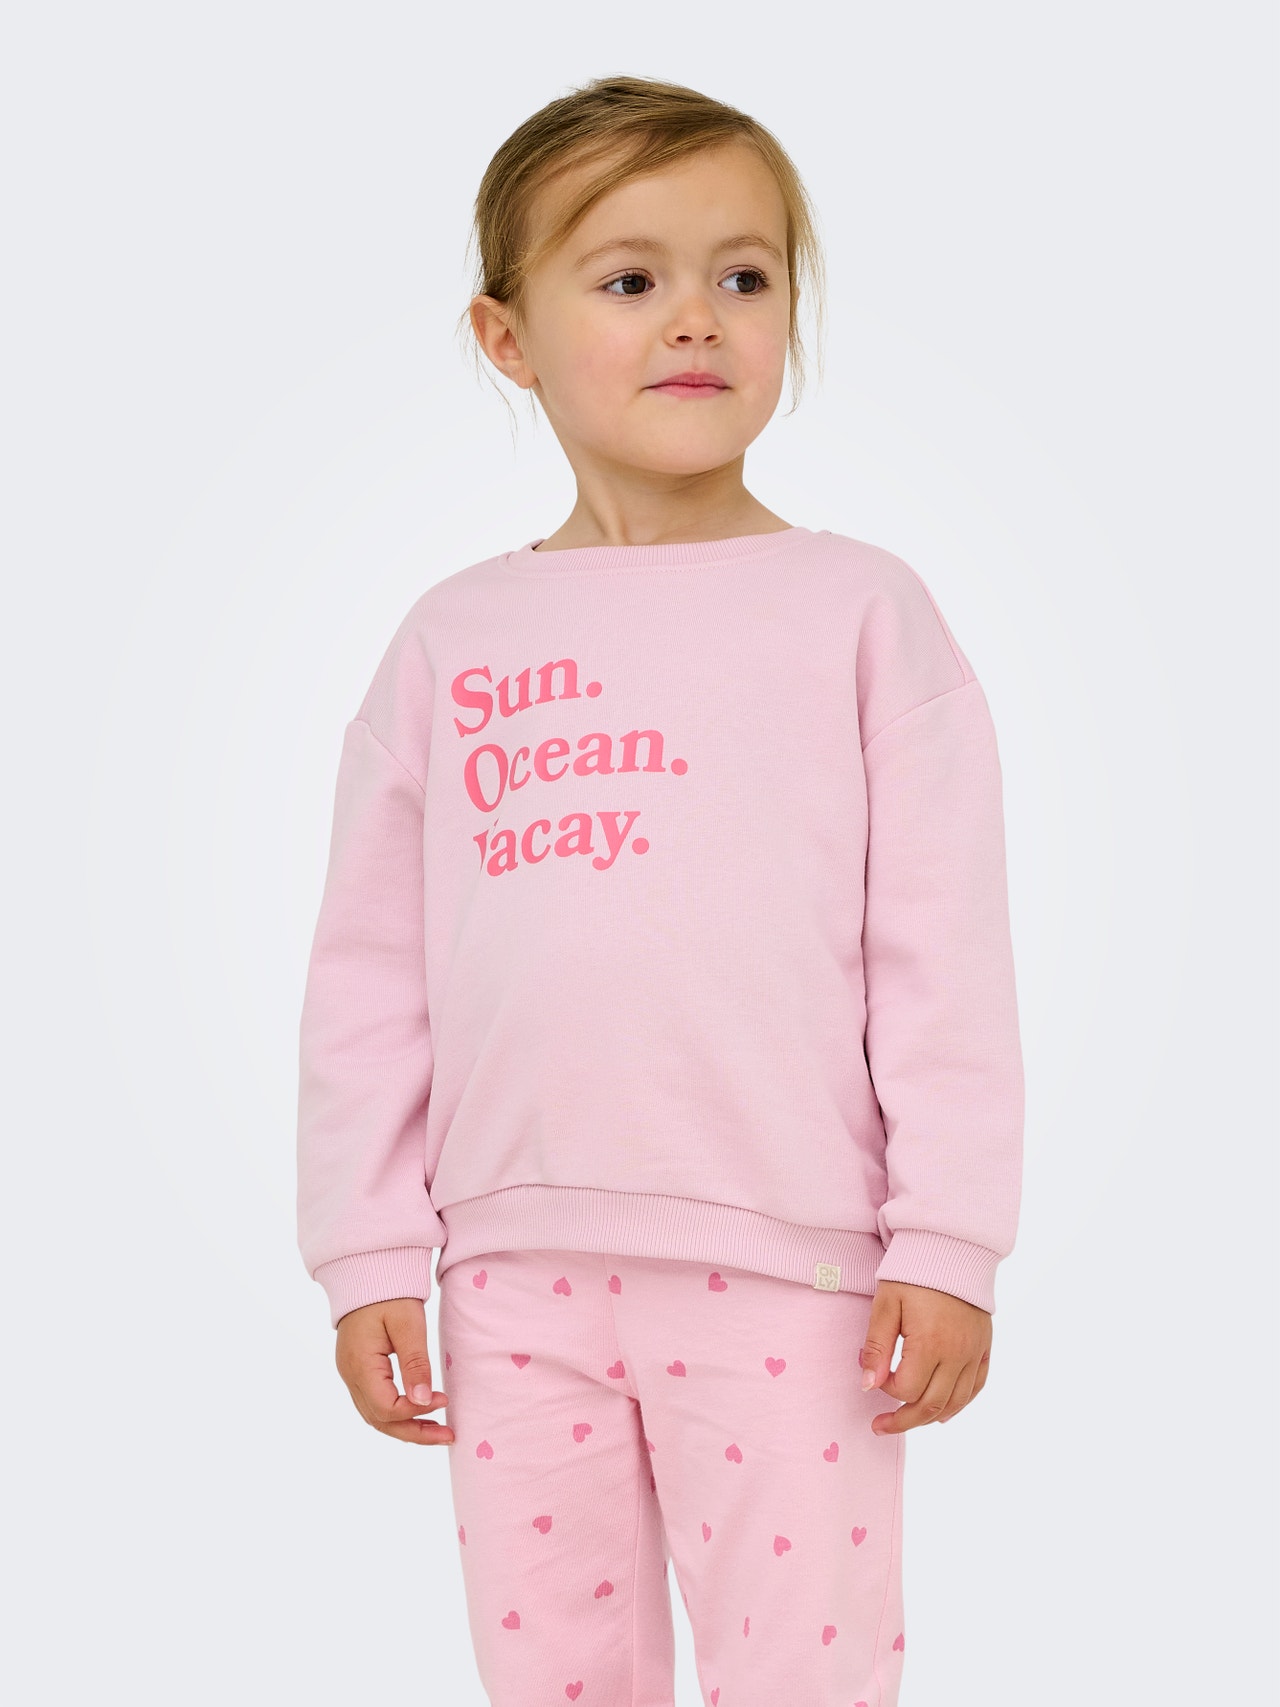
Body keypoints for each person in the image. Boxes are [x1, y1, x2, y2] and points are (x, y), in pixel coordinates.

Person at [296, 74, 1024, 1707]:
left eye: (744, 276)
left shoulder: (861, 612)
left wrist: (950, 1237)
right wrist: (364, 1254)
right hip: (510, 1275)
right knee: (552, 1676)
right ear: (507, 338)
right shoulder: (451, 639)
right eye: (631, 279)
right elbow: (368, 980)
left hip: (796, 1273)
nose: (698, 317)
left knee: (803, 1676)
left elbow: (943, 954)